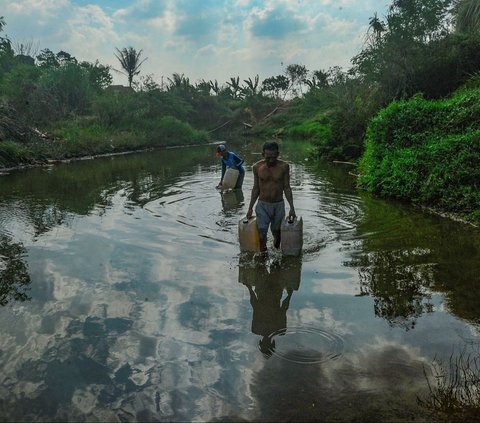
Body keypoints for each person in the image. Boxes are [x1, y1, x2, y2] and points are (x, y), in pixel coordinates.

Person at [246, 140, 295, 252]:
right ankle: (263, 256)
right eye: (268, 157)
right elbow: (255, 189)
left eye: (274, 156)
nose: (271, 160)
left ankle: (277, 252)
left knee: (277, 233)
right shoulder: (257, 167)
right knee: (262, 232)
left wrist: (292, 208)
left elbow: (287, 187)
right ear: (263, 155)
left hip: (278, 205)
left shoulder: (284, 167)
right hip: (262, 204)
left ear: (278, 154)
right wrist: (250, 208)